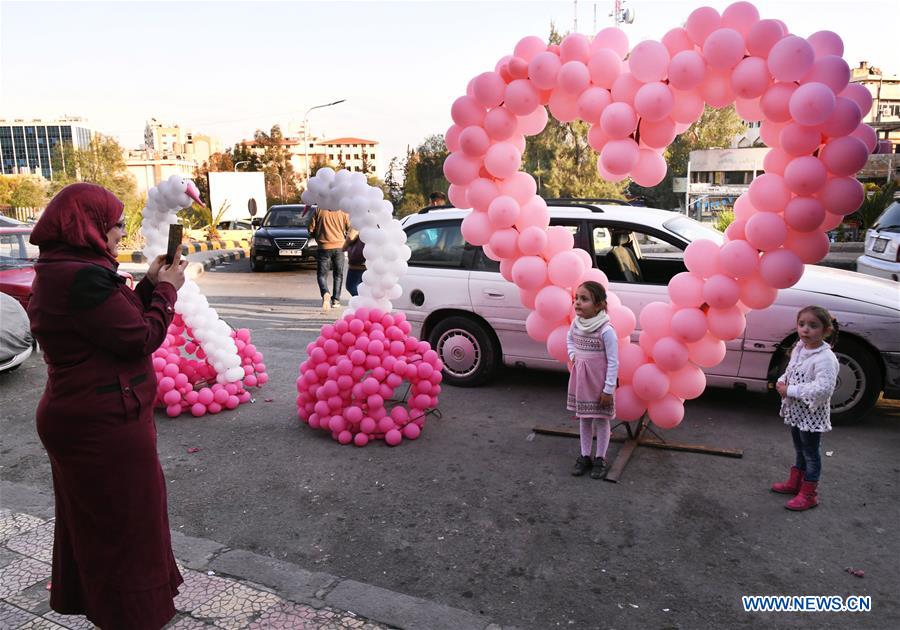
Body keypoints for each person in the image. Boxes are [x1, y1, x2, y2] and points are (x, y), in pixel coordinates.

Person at [27, 183, 188, 629]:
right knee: (127, 530)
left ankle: (114, 611)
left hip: (87, 415)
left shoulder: (71, 269)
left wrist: (150, 284)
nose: (121, 232)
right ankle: (130, 617)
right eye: (115, 224)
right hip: (100, 424)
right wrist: (167, 292)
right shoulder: (81, 276)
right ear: (89, 225)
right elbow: (139, 337)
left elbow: (112, 324)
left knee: (104, 527)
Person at [771, 306, 840, 511]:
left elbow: (823, 389)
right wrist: (782, 380)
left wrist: (790, 390)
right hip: (797, 412)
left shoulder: (825, 358)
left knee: (811, 453)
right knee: (800, 449)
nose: (805, 329)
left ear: (826, 330)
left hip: (811, 415)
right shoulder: (800, 348)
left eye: (813, 326)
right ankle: (796, 483)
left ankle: (809, 494)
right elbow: (791, 370)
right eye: (801, 324)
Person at [566, 281, 619, 480]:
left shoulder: (606, 330)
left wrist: (608, 390)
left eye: (584, 299)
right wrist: (573, 355)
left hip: (599, 384)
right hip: (582, 382)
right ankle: (585, 455)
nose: (578, 303)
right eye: (576, 298)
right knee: (585, 418)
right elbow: (569, 339)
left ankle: (600, 458)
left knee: (601, 420)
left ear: (598, 305)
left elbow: (613, 361)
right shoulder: (576, 323)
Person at [308, 204, 351, 310]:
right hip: (339, 247)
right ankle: (336, 300)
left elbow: (310, 228)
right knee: (338, 275)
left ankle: (325, 292)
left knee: (322, 275)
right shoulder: (343, 210)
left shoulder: (319, 209)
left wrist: (317, 235)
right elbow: (349, 228)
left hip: (323, 247)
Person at [344, 231, 365, 297]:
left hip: (356, 264)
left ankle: (362, 299)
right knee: (364, 287)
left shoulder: (357, 226)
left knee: (351, 286)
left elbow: (351, 237)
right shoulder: (376, 227)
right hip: (369, 263)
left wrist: (344, 247)